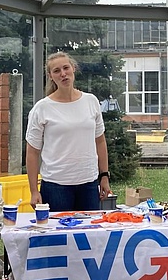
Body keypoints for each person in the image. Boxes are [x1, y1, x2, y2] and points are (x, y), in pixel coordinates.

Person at [26, 51, 111, 212]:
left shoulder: (91, 101)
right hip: (55, 187)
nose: (63, 74)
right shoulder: (42, 108)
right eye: (56, 71)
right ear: (51, 76)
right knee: (57, 236)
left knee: (88, 235)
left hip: (89, 184)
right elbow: (32, 152)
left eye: (66, 68)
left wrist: (104, 176)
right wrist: (33, 190)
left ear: (73, 69)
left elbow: (100, 141)